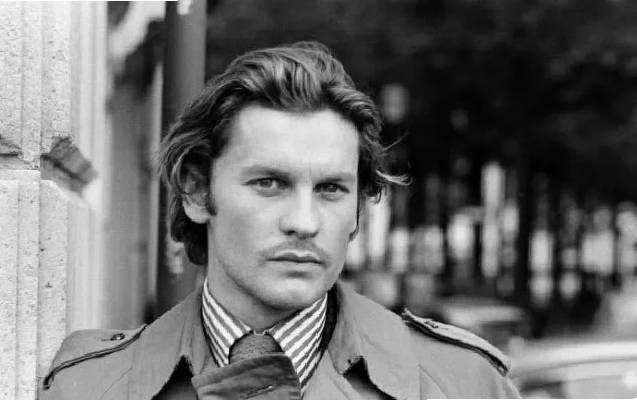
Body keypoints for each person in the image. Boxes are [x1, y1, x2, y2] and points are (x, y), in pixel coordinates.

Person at [40, 41, 520, 399]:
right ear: (197, 190)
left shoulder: (465, 385)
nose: (304, 222)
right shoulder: (89, 388)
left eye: (331, 189)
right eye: (269, 183)